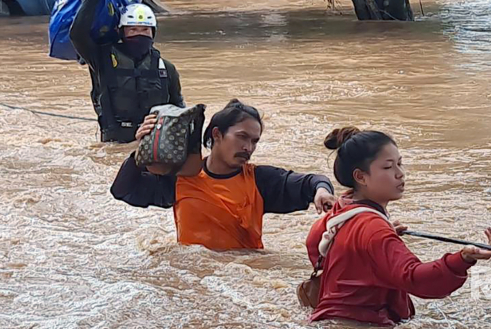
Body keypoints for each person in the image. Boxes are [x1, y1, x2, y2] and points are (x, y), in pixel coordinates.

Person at [305, 127, 491, 326]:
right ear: (360, 177)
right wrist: (463, 258)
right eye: (388, 167)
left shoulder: (341, 210)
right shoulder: (374, 228)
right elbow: (415, 279)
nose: (400, 174)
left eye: (400, 164)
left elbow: (314, 243)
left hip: (331, 325)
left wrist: (370, 246)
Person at [111, 99, 337, 251]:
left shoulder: (260, 180)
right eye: (242, 137)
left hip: (245, 277)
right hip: (195, 280)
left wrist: (321, 191)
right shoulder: (181, 179)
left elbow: (310, 182)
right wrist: (140, 151)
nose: (248, 147)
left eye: (254, 141)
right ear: (217, 134)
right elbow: (123, 190)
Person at [70, 0, 185, 143]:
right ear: (121, 32)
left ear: (153, 33)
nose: (139, 34)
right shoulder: (102, 59)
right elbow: (77, 35)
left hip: (153, 139)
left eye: (145, 29)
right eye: (133, 30)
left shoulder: (166, 68)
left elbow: (179, 107)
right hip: (115, 139)